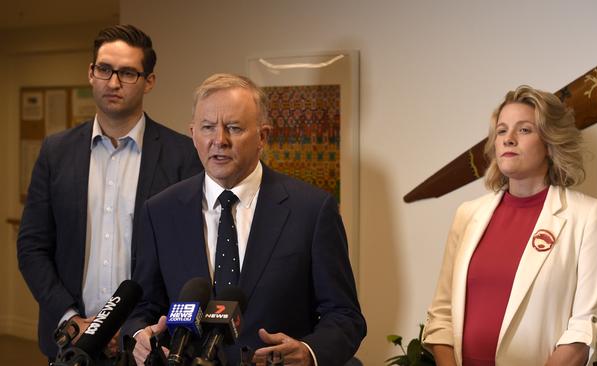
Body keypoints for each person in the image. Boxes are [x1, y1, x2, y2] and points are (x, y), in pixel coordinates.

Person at [122, 73, 366, 366]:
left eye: (234, 128)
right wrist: (139, 336)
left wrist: (308, 352)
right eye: (208, 128)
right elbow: (144, 306)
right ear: (193, 134)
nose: (219, 141)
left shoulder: (312, 210)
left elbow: (344, 315)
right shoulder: (160, 210)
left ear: (263, 136)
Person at [17, 24, 202, 361]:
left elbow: (188, 259)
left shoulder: (183, 157)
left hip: (146, 344)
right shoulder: (56, 152)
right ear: (91, 73)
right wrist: (70, 318)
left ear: (149, 81)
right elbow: (32, 246)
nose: (113, 82)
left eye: (128, 73)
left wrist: (136, 326)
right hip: (69, 342)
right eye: (104, 69)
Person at [422, 85, 597, 366]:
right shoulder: (467, 214)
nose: (508, 139)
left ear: (551, 143)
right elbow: (441, 315)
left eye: (524, 130)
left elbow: (585, 329)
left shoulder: (589, 216)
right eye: (502, 131)